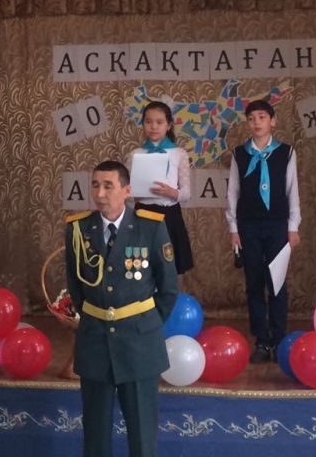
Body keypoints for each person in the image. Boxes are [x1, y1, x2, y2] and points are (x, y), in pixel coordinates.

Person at [65, 160, 178, 457]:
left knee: (142, 436)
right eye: (95, 185)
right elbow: (76, 287)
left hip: (139, 344)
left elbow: (168, 289)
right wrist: (96, 317)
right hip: (95, 341)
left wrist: (144, 324)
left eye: (108, 186)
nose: (100, 193)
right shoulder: (78, 229)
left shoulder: (150, 227)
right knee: (95, 437)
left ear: (126, 190)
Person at [225, 99, 301, 363]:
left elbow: (292, 191)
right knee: (254, 283)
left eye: (262, 117)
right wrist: (233, 228)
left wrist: (293, 227)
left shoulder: (286, 153)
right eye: (251, 118)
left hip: (278, 225)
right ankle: (262, 340)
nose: (256, 122)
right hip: (248, 226)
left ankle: (279, 339)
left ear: (273, 121)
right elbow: (233, 193)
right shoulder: (240, 154)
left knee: (277, 283)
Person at [129, 101, 194, 275]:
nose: (153, 126)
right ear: (143, 124)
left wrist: (172, 193)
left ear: (169, 125)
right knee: (142, 267)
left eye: (159, 122)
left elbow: (186, 193)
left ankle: (168, 294)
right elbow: (127, 192)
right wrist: (135, 193)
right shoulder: (135, 154)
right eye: (148, 122)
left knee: (169, 267)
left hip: (169, 215)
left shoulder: (179, 154)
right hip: (142, 214)